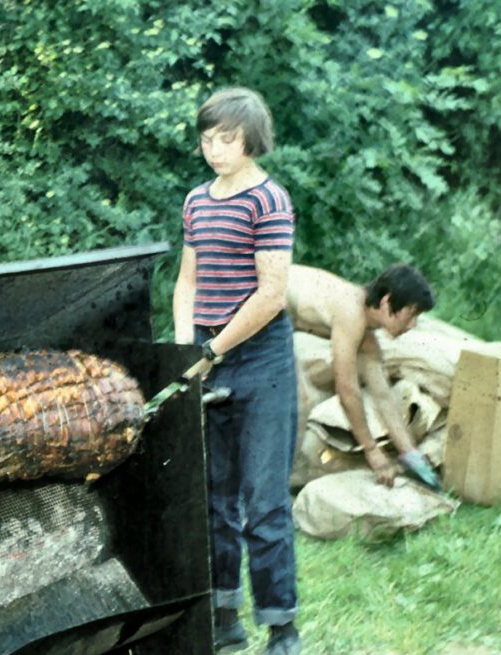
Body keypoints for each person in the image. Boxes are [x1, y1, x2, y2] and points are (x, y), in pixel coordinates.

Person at [172, 87, 301, 655]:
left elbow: (271, 296)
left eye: (226, 139)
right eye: (207, 139)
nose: (215, 149)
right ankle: (224, 618)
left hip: (259, 359)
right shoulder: (197, 200)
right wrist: (185, 350)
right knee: (214, 500)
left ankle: (282, 627)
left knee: (264, 500)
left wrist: (214, 350)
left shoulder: (269, 201)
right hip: (206, 355)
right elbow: (187, 283)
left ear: (251, 140)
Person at [286, 263, 437, 487]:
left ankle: (277, 487)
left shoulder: (367, 335)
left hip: (277, 313)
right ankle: (271, 493)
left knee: (297, 398)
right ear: (387, 302)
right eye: (411, 313)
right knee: (296, 401)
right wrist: (372, 450)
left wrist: (412, 456)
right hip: (259, 299)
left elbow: (383, 396)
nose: (413, 324)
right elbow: (347, 389)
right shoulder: (351, 312)